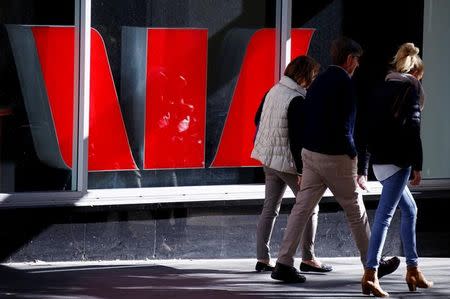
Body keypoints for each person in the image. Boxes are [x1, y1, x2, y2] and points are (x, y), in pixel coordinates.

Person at [271, 37, 400, 283]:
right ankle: (372, 263)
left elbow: (307, 116)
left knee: (301, 208)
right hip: (336, 157)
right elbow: (348, 125)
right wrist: (353, 154)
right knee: (355, 210)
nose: (358, 65)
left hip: (311, 154)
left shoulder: (318, 81)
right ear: (349, 59)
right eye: (357, 60)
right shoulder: (345, 83)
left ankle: (283, 263)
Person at [360, 43, 433, 297]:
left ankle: (413, 270)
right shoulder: (409, 90)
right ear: (415, 73)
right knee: (385, 217)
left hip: (379, 163)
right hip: (398, 163)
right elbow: (414, 130)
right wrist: (418, 166)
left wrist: (363, 167)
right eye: (420, 77)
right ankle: (370, 273)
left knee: (410, 209)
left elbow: (367, 129)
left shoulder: (380, 87)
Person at [251, 55, 332, 273]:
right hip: (288, 162)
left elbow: (257, 119)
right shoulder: (296, 99)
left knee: (270, 208)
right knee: (310, 206)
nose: (314, 80)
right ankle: (308, 257)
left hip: (269, 159)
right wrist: (301, 170)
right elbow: (298, 139)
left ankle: (262, 258)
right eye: (313, 75)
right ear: (305, 75)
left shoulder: (274, 90)